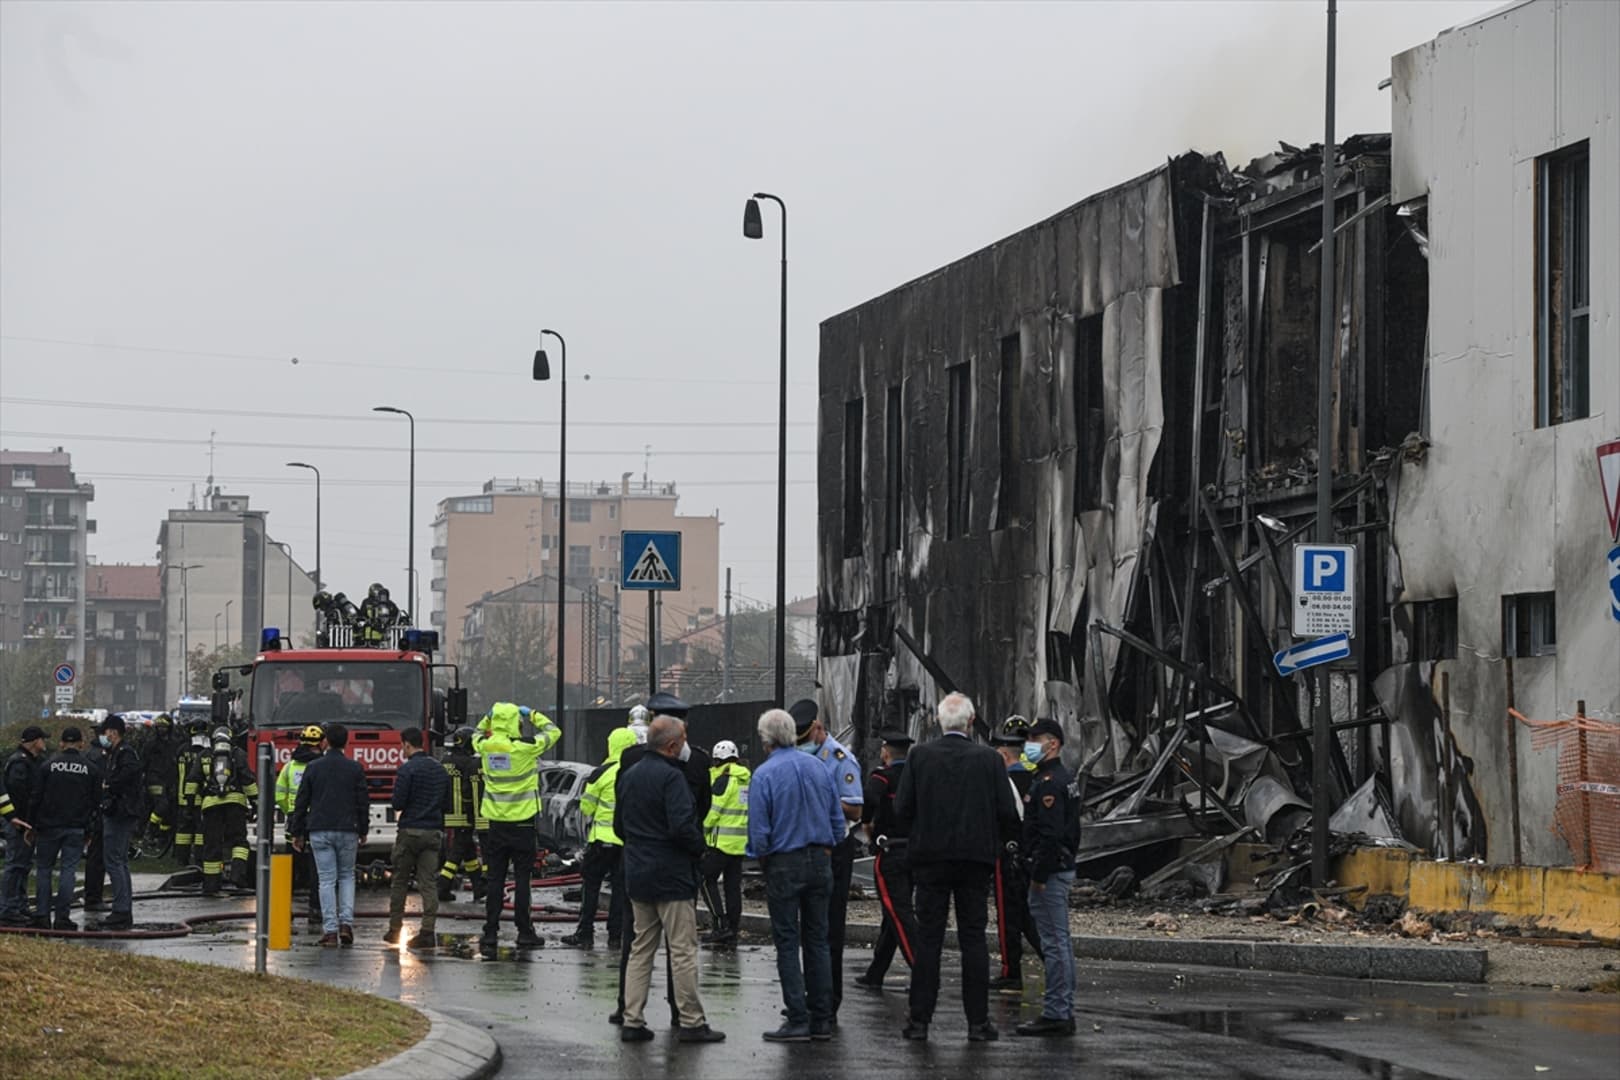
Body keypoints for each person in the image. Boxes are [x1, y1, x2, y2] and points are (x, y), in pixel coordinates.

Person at [895, 692, 1021, 1043]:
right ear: (970, 721)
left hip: (930, 859)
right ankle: (978, 1023)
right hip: (975, 860)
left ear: (938, 721)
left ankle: (919, 1021)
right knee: (973, 939)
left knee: (929, 939)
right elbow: (1007, 812)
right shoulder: (989, 760)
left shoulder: (919, 756)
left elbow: (903, 809)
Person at [615, 717, 724, 1044]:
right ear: (673, 745)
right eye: (684, 739)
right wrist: (699, 851)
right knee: (682, 950)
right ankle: (691, 1021)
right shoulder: (672, 778)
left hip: (638, 874)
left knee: (640, 948)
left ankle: (632, 1020)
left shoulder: (630, 776)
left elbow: (620, 827)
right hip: (672, 877)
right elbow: (682, 827)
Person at [747, 707, 845, 1043]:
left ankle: (798, 1017)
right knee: (818, 940)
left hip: (784, 862)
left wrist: (765, 860)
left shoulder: (764, 775)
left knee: (787, 942)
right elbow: (837, 821)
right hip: (820, 859)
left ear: (766, 740)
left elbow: (759, 833)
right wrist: (827, 847)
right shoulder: (819, 767)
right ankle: (822, 1019)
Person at [787, 698, 863, 1023]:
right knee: (809, 930)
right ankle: (810, 995)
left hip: (834, 850)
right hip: (804, 848)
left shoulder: (840, 759)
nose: (802, 744)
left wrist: (822, 795)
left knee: (830, 929)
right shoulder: (796, 757)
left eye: (805, 738)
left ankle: (828, 1003)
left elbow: (856, 809)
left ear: (818, 728)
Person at [474, 701, 559, 956]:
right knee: (523, 880)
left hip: (496, 824)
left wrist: (488, 717)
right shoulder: (525, 749)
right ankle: (524, 931)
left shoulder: (485, 747)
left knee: (495, 880)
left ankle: (490, 932)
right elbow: (554, 731)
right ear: (515, 723)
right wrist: (532, 713)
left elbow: (476, 734)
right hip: (523, 824)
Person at [1016, 719, 1080, 1037]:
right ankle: (1061, 1009)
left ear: (1052, 743)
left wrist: (1038, 874)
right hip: (1058, 867)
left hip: (1050, 872)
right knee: (1059, 942)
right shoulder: (1055, 778)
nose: (1029, 745)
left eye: (1034, 739)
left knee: (1054, 944)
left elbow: (1050, 835)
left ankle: (1058, 1012)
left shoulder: (1050, 782)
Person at [287, 723, 369, 947]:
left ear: (325, 742)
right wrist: (363, 829)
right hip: (347, 829)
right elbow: (363, 801)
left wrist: (297, 832)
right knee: (346, 877)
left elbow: (301, 801)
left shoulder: (313, 768)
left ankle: (330, 930)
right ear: (346, 742)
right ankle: (346, 925)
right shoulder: (355, 768)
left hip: (319, 829)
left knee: (326, 880)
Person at [561, 725, 636, 949]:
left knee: (591, 885)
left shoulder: (601, 772)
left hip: (602, 840)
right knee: (621, 889)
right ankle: (616, 934)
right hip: (627, 842)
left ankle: (585, 932)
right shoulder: (636, 771)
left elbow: (586, 807)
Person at [855, 730, 919, 989]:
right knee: (891, 915)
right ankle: (876, 972)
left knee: (899, 912)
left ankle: (922, 969)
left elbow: (868, 802)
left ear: (886, 752)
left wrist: (868, 827)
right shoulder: (917, 777)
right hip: (915, 851)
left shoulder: (882, 776)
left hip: (890, 851)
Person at [30, 726, 101, 931]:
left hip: (48, 827)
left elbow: (36, 798)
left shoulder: (47, 766)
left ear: (61, 743)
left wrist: (32, 825)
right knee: (68, 872)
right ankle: (62, 918)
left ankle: (42, 916)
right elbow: (95, 804)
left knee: (43, 869)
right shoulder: (91, 769)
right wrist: (89, 831)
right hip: (76, 828)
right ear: (80, 744)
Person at [990, 715, 1042, 994]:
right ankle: (1049, 958)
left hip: (1008, 854)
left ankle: (1011, 970)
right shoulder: (1039, 777)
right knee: (1026, 915)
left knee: (1009, 916)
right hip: (1031, 854)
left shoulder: (1006, 781)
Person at [385, 728, 450, 949]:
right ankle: (427, 932)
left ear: (406, 745)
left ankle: (395, 930)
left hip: (410, 832)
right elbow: (448, 804)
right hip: (433, 833)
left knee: (400, 881)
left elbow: (398, 804)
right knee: (428, 883)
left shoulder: (407, 770)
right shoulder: (440, 770)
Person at [700, 739, 749, 946]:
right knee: (732, 887)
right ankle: (733, 928)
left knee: (704, 879)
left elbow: (713, 812)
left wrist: (700, 831)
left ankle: (720, 924)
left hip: (720, 843)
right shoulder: (747, 779)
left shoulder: (723, 780)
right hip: (739, 844)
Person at [276, 725, 326, 925]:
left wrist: (290, 811)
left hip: (295, 821)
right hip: (317, 821)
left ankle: (284, 910)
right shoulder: (322, 766)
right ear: (321, 742)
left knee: (289, 868)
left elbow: (279, 794)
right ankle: (315, 910)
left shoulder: (290, 766)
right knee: (318, 868)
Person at [97, 716, 144, 929]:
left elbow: (128, 776)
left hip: (119, 814)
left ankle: (121, 910)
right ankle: (122, 908)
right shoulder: (117, 753)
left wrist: (109, 787)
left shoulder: (125, 754)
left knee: (114, 861)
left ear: (113, 733)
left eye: (104, 732)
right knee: (119, 861)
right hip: (122, 812)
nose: (103, 736)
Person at [199, 725, 257, 896]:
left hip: (211, 805)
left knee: (212, 845)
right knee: (239, 841)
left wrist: (189, 805)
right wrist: (256, 802)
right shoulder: (238, 754)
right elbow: (247, 780)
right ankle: (238, 875)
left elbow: (192, 780)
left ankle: (211, 885)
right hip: (235, 805)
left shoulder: (205, 755)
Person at [0, 726, 48, 926]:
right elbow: (19, 795)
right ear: (34, 741)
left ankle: (19, 905)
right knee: (16, 865)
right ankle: (8, 908)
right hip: (19, 823)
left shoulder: (30, 762)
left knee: (23, 865)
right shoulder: (20, 763)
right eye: (42, 739)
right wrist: (22, 822)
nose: (44, 743)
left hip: (26, 823)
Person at [437, 725, 486, 903]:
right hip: (464, 815)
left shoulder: (445, 760)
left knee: (469, 852)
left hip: (448, 813)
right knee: (456, 854)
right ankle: (442, 885)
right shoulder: (469, 763)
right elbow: (469, 790)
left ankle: (479, 887)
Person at [170, 717, 210, 868]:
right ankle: (199, 861)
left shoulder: (182, 750)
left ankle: (182, 861)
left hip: (183, 799)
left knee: (183, 833)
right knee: (200, 832)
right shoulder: (208, 752)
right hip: (203, 800)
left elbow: (175, 774)